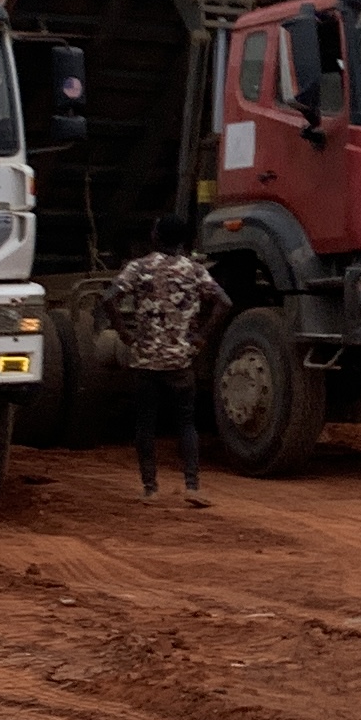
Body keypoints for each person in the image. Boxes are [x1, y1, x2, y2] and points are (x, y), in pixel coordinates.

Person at [104, 216, 230, 506]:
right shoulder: (195, 270)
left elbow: (108, 298)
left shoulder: (139, 267)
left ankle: (150, 489)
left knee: (145, 423)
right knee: (186, 422)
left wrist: (124, 333)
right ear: (183, 240)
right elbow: (224, 302)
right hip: (180, 360)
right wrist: (201, 336)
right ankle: (192, 487)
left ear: (156, 236)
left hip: (146, 359)